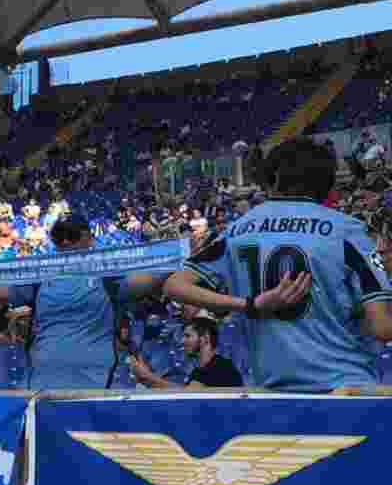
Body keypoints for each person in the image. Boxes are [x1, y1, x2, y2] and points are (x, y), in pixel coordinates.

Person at [165, 137, 392, 391]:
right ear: (328, 186)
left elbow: (175, 285)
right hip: (345, 388)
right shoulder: (348, 231)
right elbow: (382, 327)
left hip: (275, 393)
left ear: (271, 179)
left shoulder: (238, 230)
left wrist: (249, 304)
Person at [0, 215, 168, 390]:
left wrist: (177, 255)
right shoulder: (39, 279)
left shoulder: (108, 278)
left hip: (98, 385)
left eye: (72, 235)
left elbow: (151, 280)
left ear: (89, 238)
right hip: (43, 385)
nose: (65, 241)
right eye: (58, 236)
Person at [132, 316, 243, 388]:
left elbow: (188, 394)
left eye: (188, 336)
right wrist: (145, 377)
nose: (182, 341)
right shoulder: (197, 373)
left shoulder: (222, 367)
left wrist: (148, 376)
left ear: (205, 338)